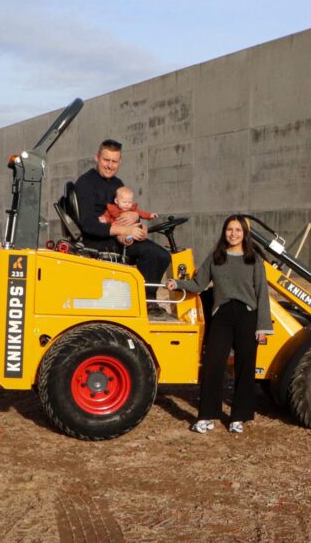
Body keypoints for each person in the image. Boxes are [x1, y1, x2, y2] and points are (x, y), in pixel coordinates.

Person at [167, 216, 272, 434]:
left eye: (237, 230)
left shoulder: (254, 260)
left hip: (247, 315)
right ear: (224, 233)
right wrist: (177, 283)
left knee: (245, 366)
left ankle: (238, 417)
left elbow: (263, 294)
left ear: (244, 233)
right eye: (229, 230)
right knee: (213, 363)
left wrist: (263, 327)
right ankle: (206, 416)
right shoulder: (216, 258)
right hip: (222, 315)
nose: (233, 234)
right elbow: (198, 283)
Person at [74, 139, 171, 300]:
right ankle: (145, 302)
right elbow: (88, 225)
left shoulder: (117, 184)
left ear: (120, 162)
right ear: (97, 157)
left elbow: (125, 209)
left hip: (117, 234)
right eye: (106, 160)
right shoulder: (86, 183)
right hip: (97, 240)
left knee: (163, 255)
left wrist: (136, 217)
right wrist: (125, 230)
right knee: (153, 254)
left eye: (114, 161)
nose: (109, 165)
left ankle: (143, 297)